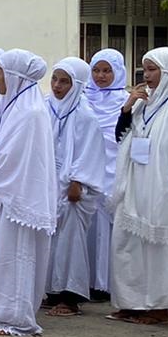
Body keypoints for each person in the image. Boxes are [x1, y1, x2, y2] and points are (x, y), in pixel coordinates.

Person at [0, 50, 58, 337]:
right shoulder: (7, 106)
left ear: (15, 77)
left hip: (17, 196)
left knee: (14, 256)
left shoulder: (31, 113)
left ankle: (13, 318)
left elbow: (19, 159)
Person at [108, 47, 168, 324]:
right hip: (135, 181)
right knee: (127, 242)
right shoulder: (146, 103)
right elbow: (121, 137)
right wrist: (128, 106)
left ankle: (159, 307)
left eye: (152, 70)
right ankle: (131, 302)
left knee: (158, 247)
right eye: (145, 69)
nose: (146, 76)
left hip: (163, 188)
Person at [44, 57, 106, 318]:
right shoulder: (47, 107)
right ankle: (52, 290)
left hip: (72, 189)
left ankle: (70, 296)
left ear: (77, 83)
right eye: (55, 79)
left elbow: (90, 151)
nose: (57, 86)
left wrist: (77, 181)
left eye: (64, 81)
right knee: (49, 240)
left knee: (70, 241)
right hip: (48, 183)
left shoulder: (84, 115)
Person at [83, 48, 127, 300]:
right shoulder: (82, 97)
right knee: (86, 224)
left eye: (107, 71)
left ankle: (106, 283)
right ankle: (86, 280)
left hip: (113, 168)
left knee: (107, 224)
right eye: (96, 70)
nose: (100, 76)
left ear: (118, 72)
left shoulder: (126, 101)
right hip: (88, 166)